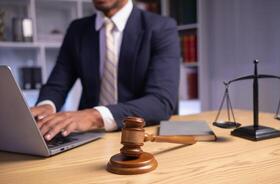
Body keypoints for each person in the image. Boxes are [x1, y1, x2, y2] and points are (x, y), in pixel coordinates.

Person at [31, 0, 180, 141]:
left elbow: (161, 101)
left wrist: (95, 116)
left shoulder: (161, 27)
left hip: (140, 135)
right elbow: (57, 84)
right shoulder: (77, 30)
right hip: (86, 137)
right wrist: (46, 105)